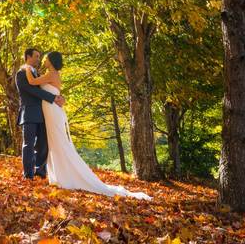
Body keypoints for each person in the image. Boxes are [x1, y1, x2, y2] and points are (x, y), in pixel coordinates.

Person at [25, 51, 151, 199]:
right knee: (55, 144)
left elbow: (32, 82)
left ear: (51, 61)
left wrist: (26, 67)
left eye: (45, 58)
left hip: (53, 112)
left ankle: (70, 177)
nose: (43, 60)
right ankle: (60, 176)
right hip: (51, 112)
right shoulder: (49, 74)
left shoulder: (52, 74)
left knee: (60, 143)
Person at [15, 48, 63, 180]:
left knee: (43, 144)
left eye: (39, 56)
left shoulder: (37, 73)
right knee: (28, 144)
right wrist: (53, 98)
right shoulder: (21, 73)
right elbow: (32, 90)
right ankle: (28, 174)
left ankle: (41, 171)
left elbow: (52, 87)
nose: (38, 59)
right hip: (29, 113)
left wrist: (59, 97)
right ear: (27, 56)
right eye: (36, 56)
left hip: (44, 113)